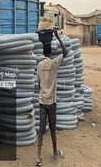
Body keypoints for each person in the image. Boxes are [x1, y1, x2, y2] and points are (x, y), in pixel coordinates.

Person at [36, 28, 68, 166]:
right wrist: (57, 36)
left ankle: (38, 156)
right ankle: (55, 152)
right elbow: (65, 52)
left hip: (42, 101)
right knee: (53, 127)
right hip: (51, 102)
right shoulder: (54, 63)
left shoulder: (39, 65)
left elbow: (38, 83)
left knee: (41, 129)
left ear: (43, 52)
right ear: (50, 52)